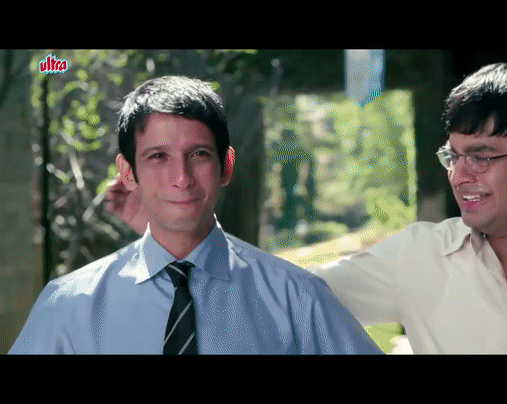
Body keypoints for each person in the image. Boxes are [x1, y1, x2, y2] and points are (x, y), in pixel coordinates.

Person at [105, 64, 507, 354]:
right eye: (454, 155)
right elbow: (279, 295)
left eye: (482, 157)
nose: (460, 175)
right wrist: (170, 231)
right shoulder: (419, 257)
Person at [10, 75, 382, 354]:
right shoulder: (68, 305)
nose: (182, 177)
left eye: (199, 154)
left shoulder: (297, 299)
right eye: (158, 156)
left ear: (226, 165)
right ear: (127, 172)